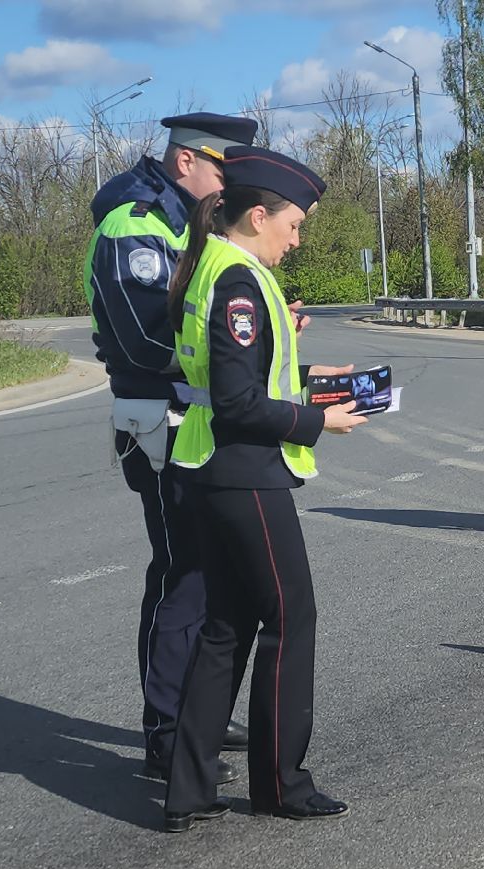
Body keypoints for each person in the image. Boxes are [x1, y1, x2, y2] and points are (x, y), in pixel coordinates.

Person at [159, 145, 367, 832]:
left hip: (210, 467)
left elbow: (236, 378)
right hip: (244, 470)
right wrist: (318, 421)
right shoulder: (239, 283)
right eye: (294, 225)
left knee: (227, 625)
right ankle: (282, 785)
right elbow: (238, 402)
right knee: (290, 617)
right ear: (258, 216)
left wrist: (309, 378)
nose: (297, 239)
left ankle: (189, 789)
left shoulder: (216, 266)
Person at [87, 112, 262, 785]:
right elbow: (145, 342)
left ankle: (197, 715)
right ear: (186, 160)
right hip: (159, 422)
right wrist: (231, 358)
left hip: (198, 419)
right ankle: (168, 731)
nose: (232, 184)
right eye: (225, 169)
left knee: (210, 574)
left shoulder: (192, 223)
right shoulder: (135, 224)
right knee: (183, 576)